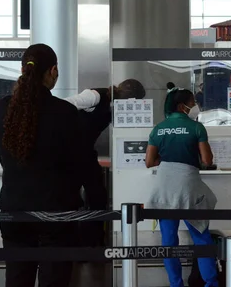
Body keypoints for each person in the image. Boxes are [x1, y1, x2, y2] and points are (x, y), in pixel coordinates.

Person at [0, 44, 98, 287]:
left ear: (22, 69)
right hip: (56, 211)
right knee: (54, 279)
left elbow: (2, 154)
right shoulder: (64, 112)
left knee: (17, 278)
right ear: (53, 71)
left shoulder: (2, 109)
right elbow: (79, 164)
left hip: (13, 208)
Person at [145, 86, 218, 287]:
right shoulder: (196, 128)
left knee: (168, 241)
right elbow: (207, 160)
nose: (195, 106)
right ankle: (210, 283)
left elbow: (149, 162)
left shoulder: (159, 128)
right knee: (201, 238)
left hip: (164, 187)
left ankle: (175, 284)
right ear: (182, 106)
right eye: (193, 103)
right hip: (188, 186)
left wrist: (168, 160)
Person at [65, 79, 146, 245]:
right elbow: (65, 106)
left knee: (98, 196)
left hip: (85, 152)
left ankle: (93, 243)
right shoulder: (95, 96)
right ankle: (73, 244)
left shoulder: (115, 107)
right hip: (69, 153)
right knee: (71, 198)